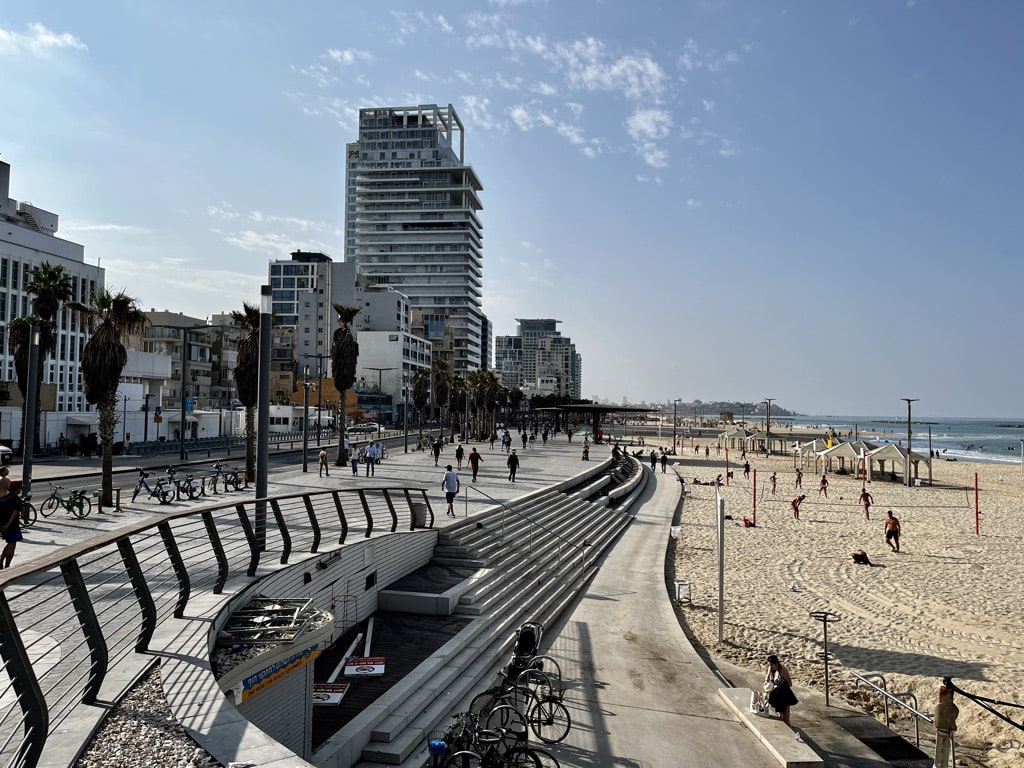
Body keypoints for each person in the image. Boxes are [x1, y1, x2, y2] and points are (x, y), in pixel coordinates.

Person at [764, 654, 798, 726]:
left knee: (785, 719)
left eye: (772, 665)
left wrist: (779, 686)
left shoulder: (783, 671)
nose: (770, 666)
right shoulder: (771, 668)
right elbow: (767, 676)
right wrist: (767, 680)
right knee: (780, 716)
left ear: (776, 663)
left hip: (784, 693)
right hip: (777, 694)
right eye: (770, 665)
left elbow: (789, 684)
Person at [933, 681, 959, 768]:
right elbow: (954, 717)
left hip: (940, 731)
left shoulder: (938, 707)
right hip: (947, 731)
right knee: (945, 752)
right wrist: (953, 726)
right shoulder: (953, 708)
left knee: (938, 751)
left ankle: (938, 765)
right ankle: (943, 765)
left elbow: (936, 720)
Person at [0, 494, 24, 569]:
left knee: (9, 544)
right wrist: (8, 525)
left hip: (3, 524)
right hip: (11, 527)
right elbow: (15, 513)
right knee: (12, 546)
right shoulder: (16, 499)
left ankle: (1, 561)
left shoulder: (4, 498)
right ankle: (7, 566)